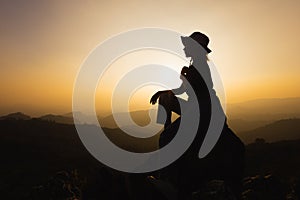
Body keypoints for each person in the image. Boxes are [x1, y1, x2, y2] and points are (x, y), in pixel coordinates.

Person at [150, 32, 245, 199]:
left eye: (188, 45)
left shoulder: (199, 66)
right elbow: (183, 90)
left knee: (166, 135)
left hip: (203, 110)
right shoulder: (195, 65)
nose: (185, 47)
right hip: (198, 107)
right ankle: (168, 131)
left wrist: (185, 77)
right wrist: (177, 83)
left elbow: (196, 91)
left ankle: (169, 155)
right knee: (165, 99)